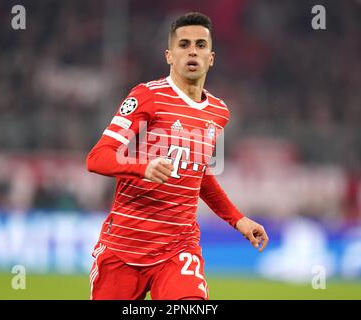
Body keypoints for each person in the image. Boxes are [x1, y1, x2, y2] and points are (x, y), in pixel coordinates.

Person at [86, 12, 268, 300]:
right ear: (169, 56)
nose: (192, 50)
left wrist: (237, 219)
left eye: (200, 44)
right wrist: (143, 167)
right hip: (124, 247)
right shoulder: (147, 96)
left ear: (211, 57)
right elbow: (97, 158)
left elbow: (198, 174)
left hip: (178, 250)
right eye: (183, 45)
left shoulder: (218, 113)